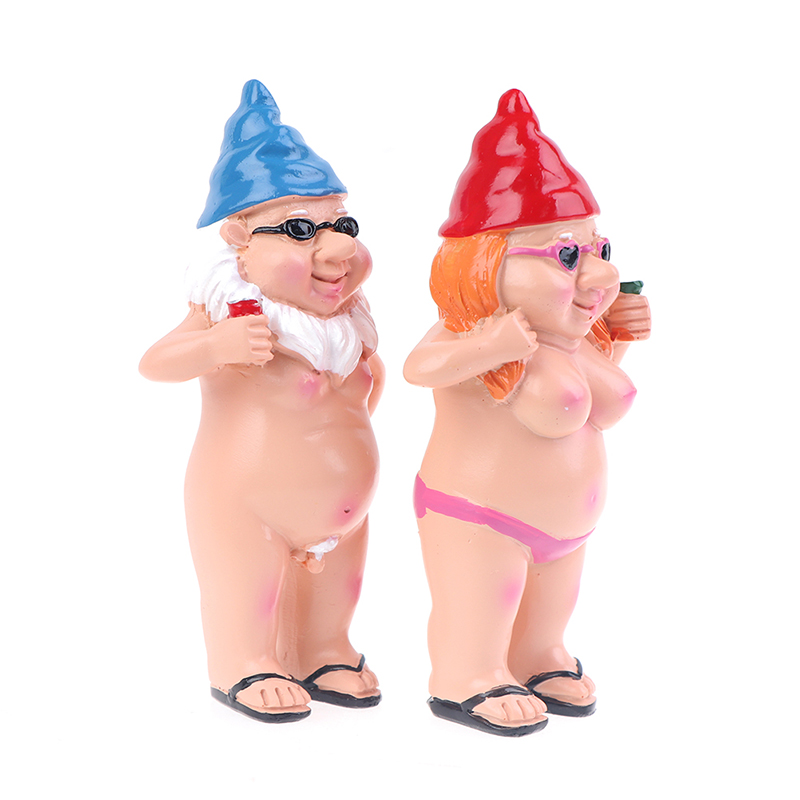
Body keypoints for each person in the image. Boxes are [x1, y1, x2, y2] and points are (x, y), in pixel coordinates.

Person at [404, 89, 651, 736]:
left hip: (567, 530)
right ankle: (468, 676)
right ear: (486, 265)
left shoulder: (569, 337)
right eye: (568, 256)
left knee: (547, 617)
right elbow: (418, 368)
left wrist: (619, 338)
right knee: (478, 611)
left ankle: (538, 657)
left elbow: (591, 406)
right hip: (479, 515)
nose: (601, 276)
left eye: (599, 251)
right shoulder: (472, 330)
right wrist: (489, 346)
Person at [140, 80, 383, 723]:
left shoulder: (348, 325)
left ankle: (322, 649)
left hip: (344, 514)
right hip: (246, 503)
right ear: (240, 240)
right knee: (244, 590)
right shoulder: (226, 312)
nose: (338, 248)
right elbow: (154, 363)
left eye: (343, 226)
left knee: (334, 595)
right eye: (302, 230)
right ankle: (244, 662)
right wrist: (213, 345)